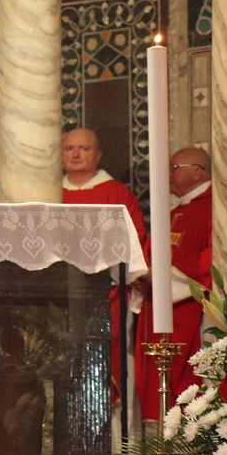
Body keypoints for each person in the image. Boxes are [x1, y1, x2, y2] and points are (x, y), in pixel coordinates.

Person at [61, 127, 147, 406]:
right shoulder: (49, 192)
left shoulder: (116, 193)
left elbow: (135, 237)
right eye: (69, 149)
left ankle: (111, 424)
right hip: (57, 293)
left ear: (98, 155)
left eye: (83, 149)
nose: (76, 154)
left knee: (106, 353)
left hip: (106, 292)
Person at [132, 147, 212, 423]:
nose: (167, 175)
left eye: (174, 168)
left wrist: (165, 276)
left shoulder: (214, 208)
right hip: (157, 306)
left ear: (198, 172)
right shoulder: (175, 210)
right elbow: (149, 254)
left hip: (189, 308)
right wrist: (142, 276)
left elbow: (212, 259)